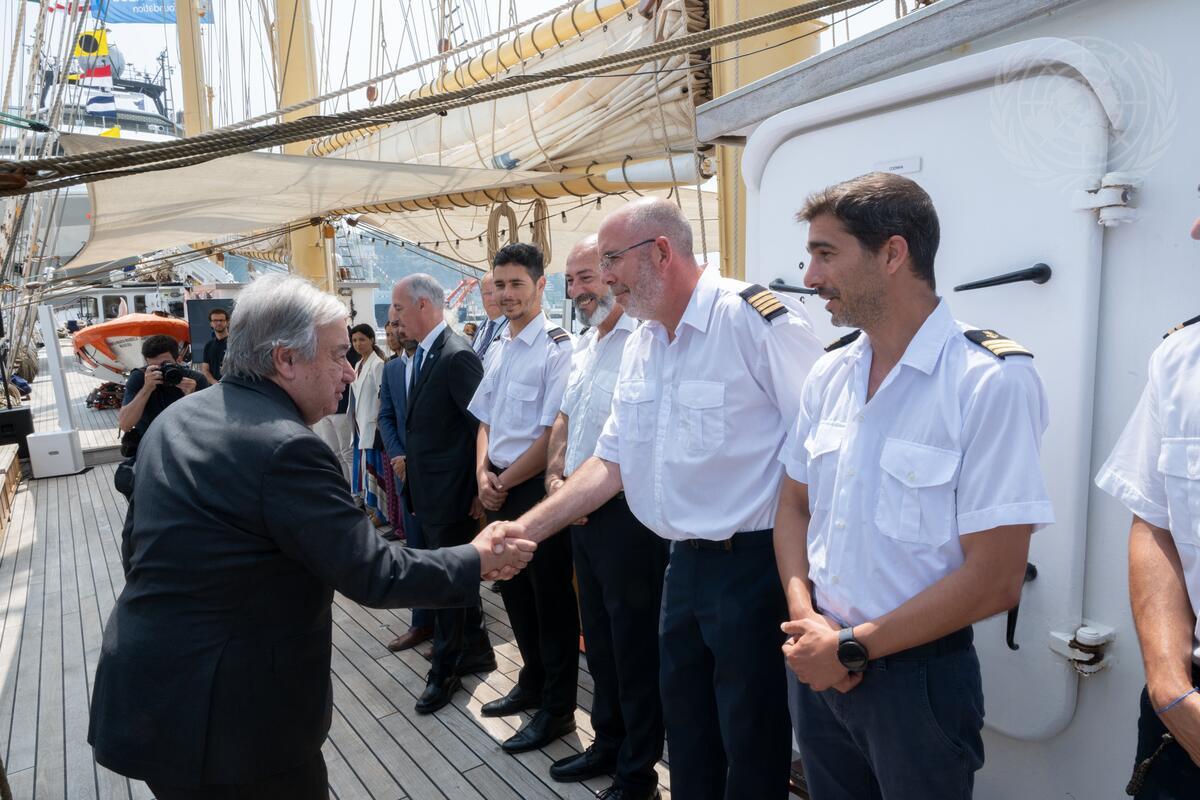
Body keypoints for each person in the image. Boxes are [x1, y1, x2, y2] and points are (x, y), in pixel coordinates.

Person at [87, 273, 537, 799]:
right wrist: (478, 556)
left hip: (147, 694)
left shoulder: (178, 418)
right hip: (235, 726)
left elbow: (135, 548)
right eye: (338, 354)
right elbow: (375, 572)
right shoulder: (285, 448)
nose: (349, 371)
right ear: (285, 359)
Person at [493, 197, 825, 799]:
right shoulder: (646, 341)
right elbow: (610, 461)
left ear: (662, 252)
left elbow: (822, 455)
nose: (605, 275)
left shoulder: (752, 322)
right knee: (689, 729)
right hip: (682, 565)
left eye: (612, 260)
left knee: (751, 736)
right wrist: (526, 531)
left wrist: (807, 587)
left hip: (752, 567)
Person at [771, 172, 1055, 799]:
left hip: (916, 685)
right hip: (817, 661)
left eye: (826, 254)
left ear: (893, 254)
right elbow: (793, 505)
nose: (810, 277)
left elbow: (997, 577)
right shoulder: (829, 374)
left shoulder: (988, 381)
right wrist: (805, 618)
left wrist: (848, 649)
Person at [544, 235, 668, 800]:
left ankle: (637, 773)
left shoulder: (643, 342)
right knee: (598, 639)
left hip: (625, 518)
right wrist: (555, 480)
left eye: (588, 276)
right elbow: (565, 418)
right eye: (571, 281)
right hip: (580, 514)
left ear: (614, 273)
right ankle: (607, 743)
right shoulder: (586, 346)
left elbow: (639, 443)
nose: (578, 290)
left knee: (633, 648)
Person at [1095, 211, 1200, 799]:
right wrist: (1167, 687)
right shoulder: (1181, 359)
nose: (1196, 228)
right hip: (1187, 713)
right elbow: (1156, 523)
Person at [468, 242, 578, 754]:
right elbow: (485, 419)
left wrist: (503, 481)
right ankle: (531, 681)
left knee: (549, 599)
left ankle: (558, 709)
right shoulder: (499, 347)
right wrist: (481, 473)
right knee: (513, 592)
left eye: (517, 284)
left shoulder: (558, 349)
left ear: (540, 285)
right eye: (500, 284)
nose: (507, 294)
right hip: (498, 485)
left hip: (532, 490)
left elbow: (552, 434)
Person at [393, 273, 496, 714]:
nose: (393, 317)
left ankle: (446, 670)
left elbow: (481, 426)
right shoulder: (425, 354)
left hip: (452, 496)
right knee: (455, 580)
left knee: (448, 584)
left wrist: (476, 488)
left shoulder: (456, 356)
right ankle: (478, 650)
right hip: (431, 492)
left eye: (399, 308)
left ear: (423, 305)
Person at [378, 309, 435, 640]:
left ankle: (449, 631)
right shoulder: (392, 369)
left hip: (436, 479)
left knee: (442, 553)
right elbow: (386, 416)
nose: (399, 330)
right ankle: (421, 622)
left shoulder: (439, 363)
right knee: (414, 552)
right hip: (405, 477)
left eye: (402, 323)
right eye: (394, 326)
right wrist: (398, 455)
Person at [114, 335, 208, 498]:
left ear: (178, 359)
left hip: (185, 448)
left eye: (166, 364)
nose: (162, 371)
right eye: (155, 367)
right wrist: (147, 388)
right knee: (125, 480)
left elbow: (206, 428)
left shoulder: (195, 380)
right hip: (150, 447)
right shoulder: (140, 378)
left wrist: (190, 397)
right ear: (146, 363)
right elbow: (125, 424)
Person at [349, 322, 388, 526]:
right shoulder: (358, 365)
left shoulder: (377, 364)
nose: (358, 344)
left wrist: (381, 421)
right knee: (366, 469)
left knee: (376, 469)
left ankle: (382, 513)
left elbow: (383, 396)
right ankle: (373, 509)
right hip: (360, 425)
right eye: (354, 340)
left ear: (372, 339)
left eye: (362, 339)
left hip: (374, 425)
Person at [312, 333, 358, 486]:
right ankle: (345, 486)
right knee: (335, 452)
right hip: (326, 410)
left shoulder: (348, 349)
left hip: (342, 409)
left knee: (346, 452)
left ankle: (354, 490)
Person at [472, 271, 508, 360]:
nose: (493, 298)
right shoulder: (481, 328)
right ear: (482, 296)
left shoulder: (513, 330)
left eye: (497, 292)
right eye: (488, 293)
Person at [199, 307, 230, 384]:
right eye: (215, 320)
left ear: (227, 322)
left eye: (221, 320)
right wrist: (215, 383)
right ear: (211, 324)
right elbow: (205, 370)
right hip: (214, 387)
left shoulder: (235, 343)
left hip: (232, 386)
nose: (218, 323)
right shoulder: (208, 345)